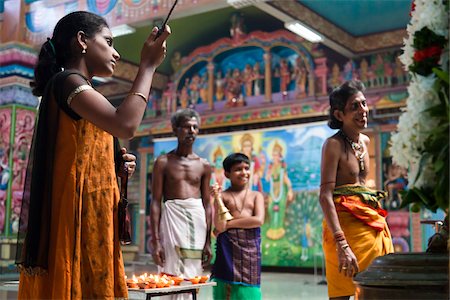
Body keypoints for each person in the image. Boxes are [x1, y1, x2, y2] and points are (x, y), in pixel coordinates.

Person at [15, 11, 170, 299]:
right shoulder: (68, 82)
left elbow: (87, 151)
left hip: (94, 215)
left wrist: (116, 166)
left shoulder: (84, 89)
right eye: (109, 42)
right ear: (82, 41)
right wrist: (147, 66)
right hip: (75, 215)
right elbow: (126, 123)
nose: (116, 52)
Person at [319, 80, 394, 299]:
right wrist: (341, 243)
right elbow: (325, 196)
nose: (363, 111)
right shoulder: (333, 145)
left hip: (370, 223)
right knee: (342, 293)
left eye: (363, 104)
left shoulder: (366, 141)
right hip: (343, 229)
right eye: (355, 106)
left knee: (375, 289)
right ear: (339, 115)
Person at [150, 108, 212, 298]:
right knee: (171, 269)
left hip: (196, 222)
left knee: (193, 272)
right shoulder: (163, 162)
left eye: (195, 127)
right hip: (172, 221)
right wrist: (156, 242)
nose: (191, 131)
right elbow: (155, 202)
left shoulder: (204, 165)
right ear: (175, 129)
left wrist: (209, 241)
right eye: (186, 127)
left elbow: (208, 204)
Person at [211, 153, 264, 300]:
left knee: (250, 293)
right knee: (225, 290)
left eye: (247, 168)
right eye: (238, 169)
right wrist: (216, 199)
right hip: (228, 252)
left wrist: (230, 224)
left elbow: (258, 220)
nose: (244, 173)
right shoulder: (224, 196)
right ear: (227, 174)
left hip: (250, 255)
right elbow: (220, 227)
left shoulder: (256, 196)